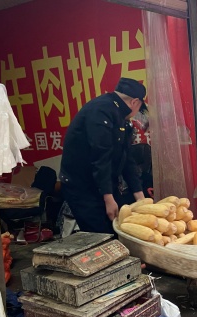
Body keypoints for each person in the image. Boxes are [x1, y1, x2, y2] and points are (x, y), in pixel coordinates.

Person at [59, 78, 146, 233]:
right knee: (102, 234)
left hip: (103, 182)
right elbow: (101, 156)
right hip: (83, 186)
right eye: (139, 108)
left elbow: (127, 158)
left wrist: (139, 196)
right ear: (134, 102)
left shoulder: (120, 115)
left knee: (119, 229)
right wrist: (108, 197)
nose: (137, 114)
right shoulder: (100, 110)